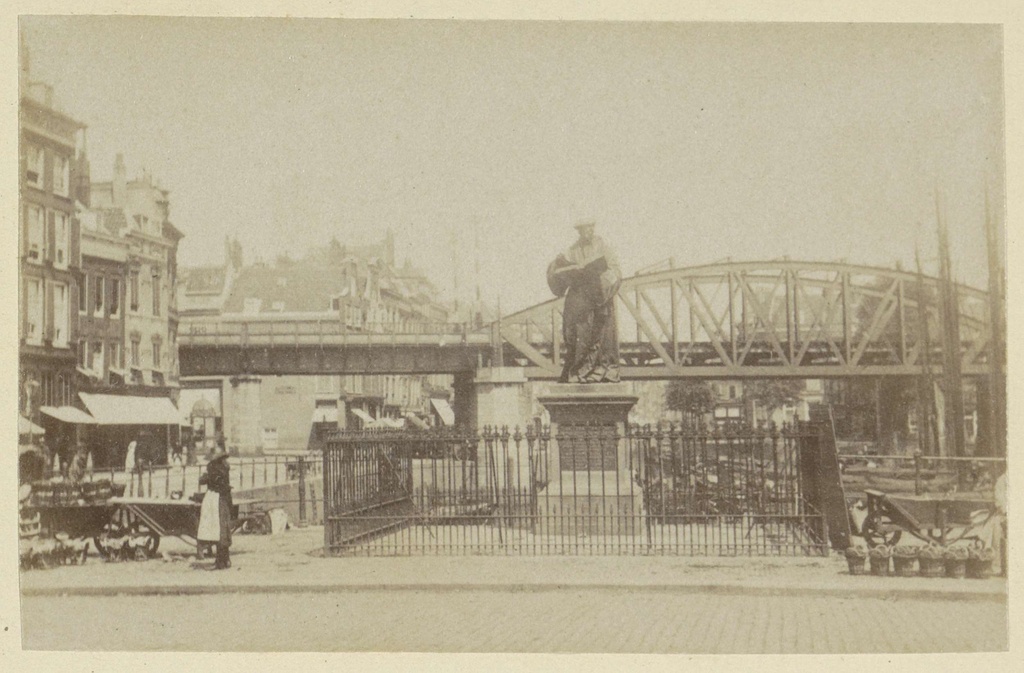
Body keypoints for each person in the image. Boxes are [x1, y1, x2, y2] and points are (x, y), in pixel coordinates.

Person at [547, 221, 622, 383]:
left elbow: (615, 271)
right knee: (575, 334)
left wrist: (601, 283)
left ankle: (599, 370)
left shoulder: (604, 247)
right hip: (579, 299)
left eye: (590, 227)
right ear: (578, 230)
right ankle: (577, 371)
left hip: (599, 298)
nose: (588, 230)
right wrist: (558, 266)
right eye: (583, 228)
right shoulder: (571, 251)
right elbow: (558, 277)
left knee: (600, 335)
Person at [197, 446, 233, 569]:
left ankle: (220, 562)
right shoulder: (225, 467)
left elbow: (204, 480)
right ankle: (225, 560)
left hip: (216, 499)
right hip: (225, 497)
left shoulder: (214, 467)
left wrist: (203, 478)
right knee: (224, 530)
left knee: (218, 530)